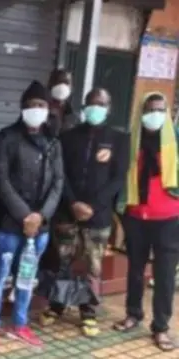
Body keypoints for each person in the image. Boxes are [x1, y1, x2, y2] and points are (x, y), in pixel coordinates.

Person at [39, 88, 129, 337]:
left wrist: (93, 206)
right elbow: (61, 174)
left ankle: (88, 312)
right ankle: (57, 305)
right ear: (84, 106)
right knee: (63, 260)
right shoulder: (68, 137)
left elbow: (118, 179)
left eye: (100, 104)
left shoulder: (119, 139)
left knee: (93, 265)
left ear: (109, 108)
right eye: (91, 103)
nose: (95, 108)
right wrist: (73, 203)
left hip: (97, 215)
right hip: (68, 212)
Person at [0, 81, 64, 350]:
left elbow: (58, 183)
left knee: (27, 276)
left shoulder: (53, 142)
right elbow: (2, 181)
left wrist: (40, 216)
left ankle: (20, 324)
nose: (35, 109)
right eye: (29, 105)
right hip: (7, 224)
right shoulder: (7, 138)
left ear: (48, 108)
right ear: (21, 108)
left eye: (40, 105)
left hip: (40, 227)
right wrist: (25, 215)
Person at [113, 92, 179, 352]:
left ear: (167, 113)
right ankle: (133, 313)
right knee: (135, 270)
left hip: (169, 220)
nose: (155, 114)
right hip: (136, 217)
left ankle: (161, 327)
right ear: (141, 113)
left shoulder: (175, 141)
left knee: (164, 275)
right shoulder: (131, 142)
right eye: (150, 109)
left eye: (160, 109)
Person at [47, 68, 79, 135]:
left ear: (71, 88)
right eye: (59, 82)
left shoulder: (74, 118)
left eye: (66, 82)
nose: (62, 86)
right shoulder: (40, 110)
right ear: (50, 85)